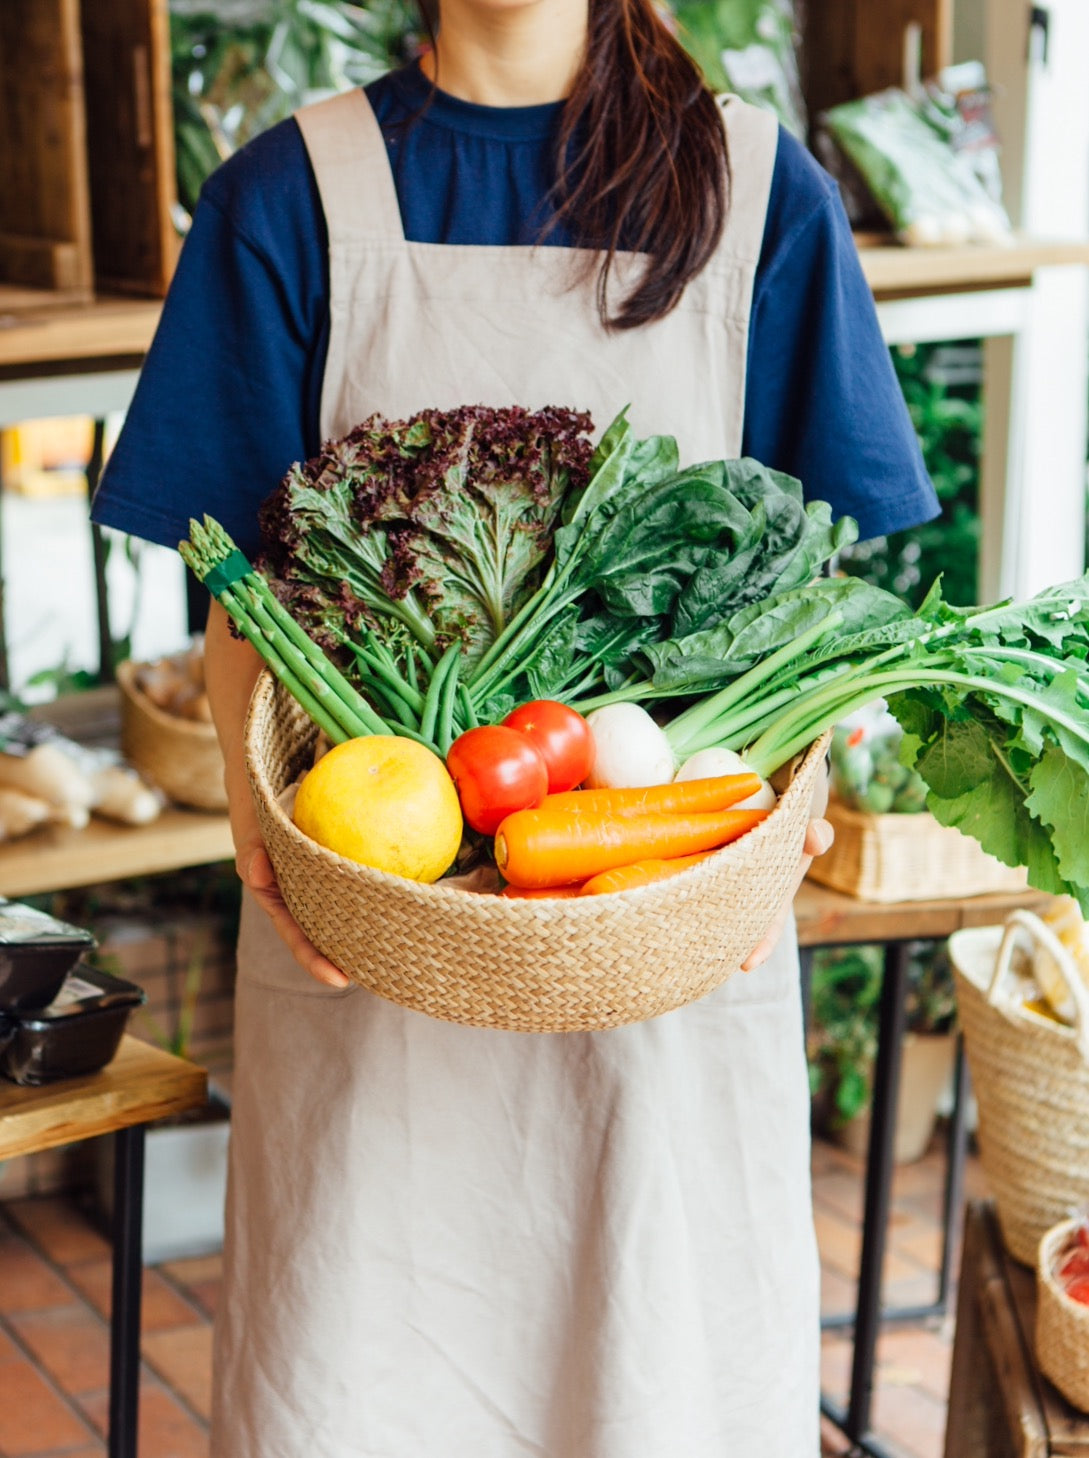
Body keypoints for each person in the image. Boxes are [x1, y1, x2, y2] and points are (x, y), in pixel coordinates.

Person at [92, 0, 938, 1452]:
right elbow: (242, 594)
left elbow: (818, 591)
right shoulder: (290, 195)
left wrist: (780, 820)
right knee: (364, 1387)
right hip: (374, 944)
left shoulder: (756, 192)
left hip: (661, 931)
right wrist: (257, 825)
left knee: (655, 1384)